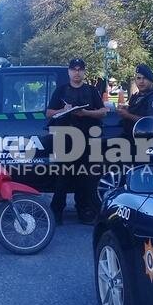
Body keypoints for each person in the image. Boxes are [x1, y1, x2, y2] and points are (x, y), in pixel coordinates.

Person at [46, 58, 107, 225]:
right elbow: (49, 113)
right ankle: (56, 212)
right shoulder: (61, 91)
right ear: (69, 71)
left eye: (80, 69)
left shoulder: (92, 91)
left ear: (84, 72)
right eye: (74, 69)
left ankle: (84, 211)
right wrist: (63, 110)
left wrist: (87, 113)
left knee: (85, 178)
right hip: (65, 139)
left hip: (87, 140)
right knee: (62, 178)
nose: (77, 72)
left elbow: (103, 111)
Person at [116, 63, 153, 137]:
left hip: (148, 140)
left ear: (151, 81)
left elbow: (150, 122)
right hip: (131, 137)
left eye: (145, 78)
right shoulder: (137, 96)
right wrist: (127, 108)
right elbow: (138, 110)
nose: (141, 81)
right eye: (138, 78)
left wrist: (127, 115)